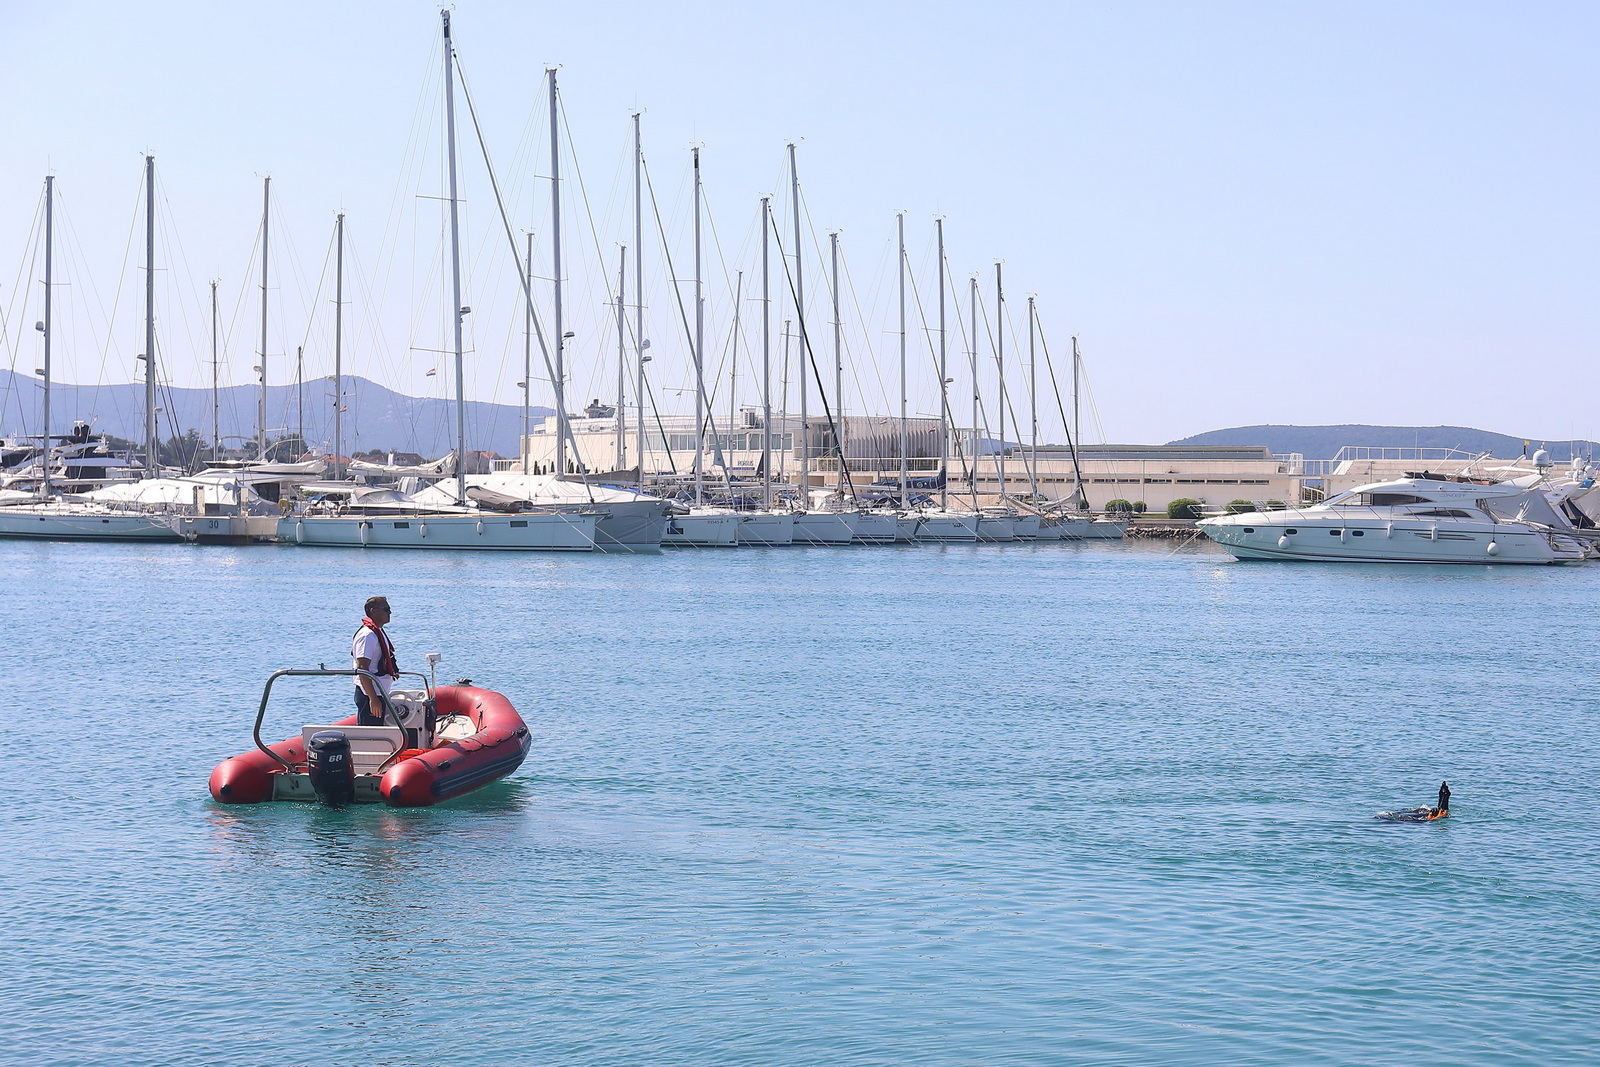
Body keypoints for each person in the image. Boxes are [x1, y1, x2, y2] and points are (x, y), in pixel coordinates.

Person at [351, 596, 399, 727]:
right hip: (370, 694)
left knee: (376, 733)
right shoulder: (368, 635)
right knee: (370, 736)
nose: (390, 612)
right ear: (374, 611)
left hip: (379, 692)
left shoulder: (377, 632)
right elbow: (362, 668)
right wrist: (373, 699)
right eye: (386, 609)